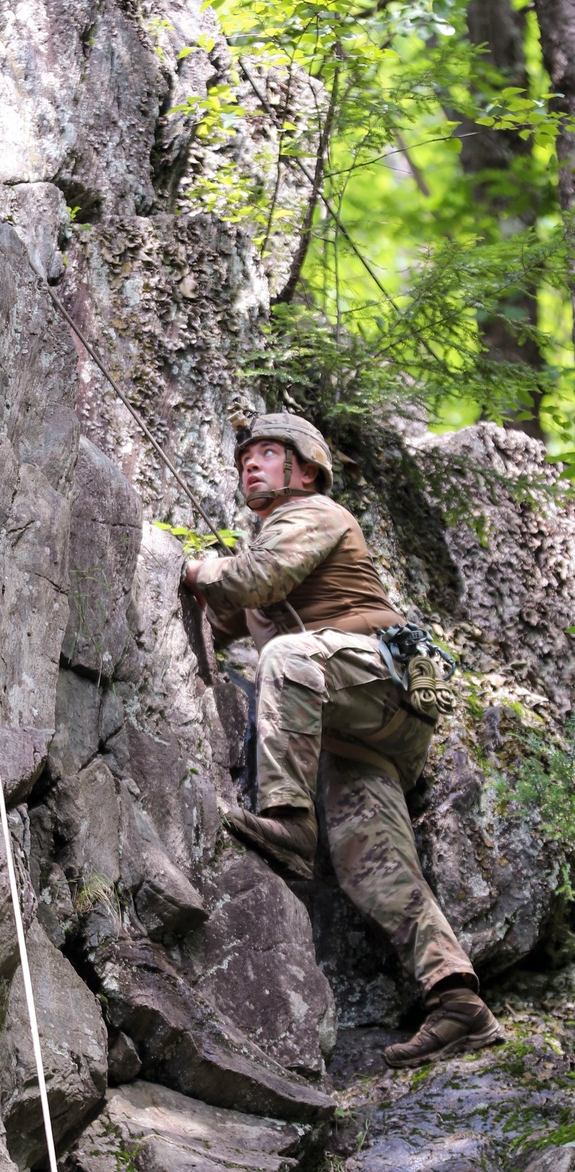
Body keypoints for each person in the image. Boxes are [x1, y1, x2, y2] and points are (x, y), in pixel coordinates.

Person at [183, 412, 504, 1069]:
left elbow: (250, 582)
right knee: (373, 866)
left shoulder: (314, 513)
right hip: (366, 733)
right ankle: (458, 1000)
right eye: (246, 455)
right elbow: (229, 614)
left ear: (304, 471)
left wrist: (199, 569)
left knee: (290, 658)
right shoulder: (270, 543)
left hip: (380, 684)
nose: (251, 463)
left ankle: (289, 822)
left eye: (269, 453)